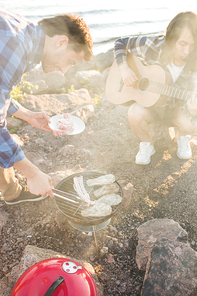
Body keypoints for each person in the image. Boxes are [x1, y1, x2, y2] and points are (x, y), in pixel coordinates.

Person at [0, 10, 93, 204]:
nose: (64, 70)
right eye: (69, 61)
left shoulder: (23, 33)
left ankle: (12, 193)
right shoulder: (16, 48)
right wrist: (33, 174)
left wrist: (27, 115)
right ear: (61, 42)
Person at [113, 11, 197, 165]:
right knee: (134, 113)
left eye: (192, 45)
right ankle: (147, 144)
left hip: (175, 108)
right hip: (149, 106)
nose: (187, 51)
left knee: (190, 125)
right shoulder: (153, 44)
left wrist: (193, 110)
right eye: (183, 44)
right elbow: (120, 43)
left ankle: (182, 137)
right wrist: (124, 68)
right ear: (171, 39)